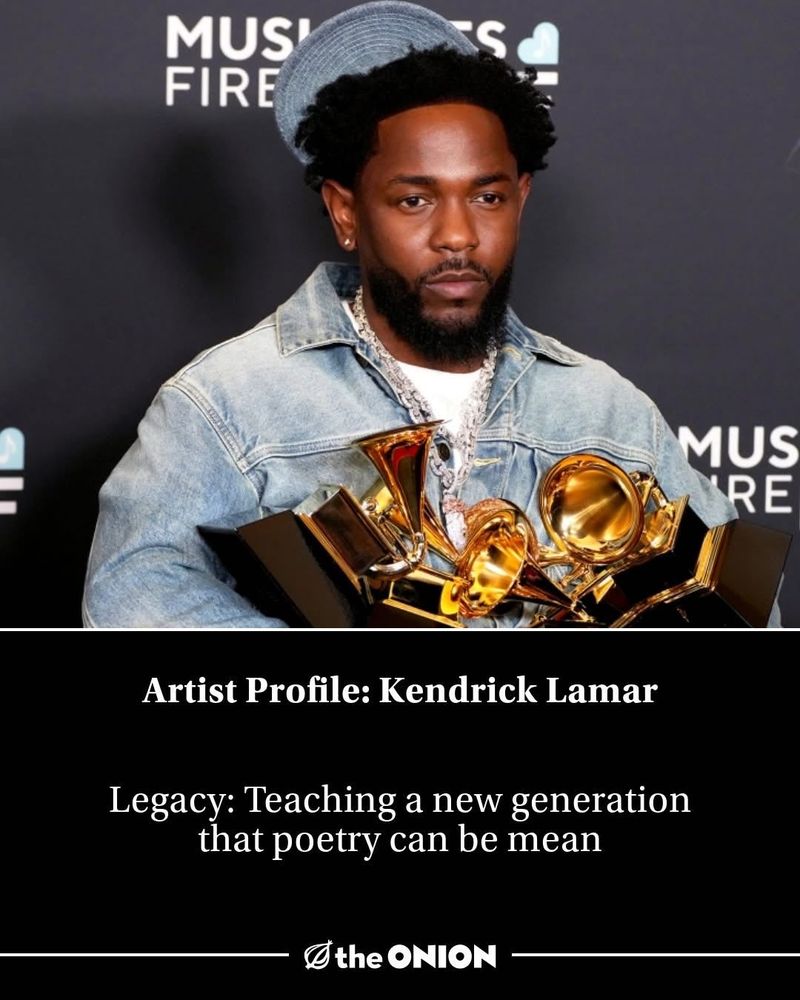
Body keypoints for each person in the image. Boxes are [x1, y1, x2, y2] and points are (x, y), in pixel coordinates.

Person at [82, 1, 765, 628]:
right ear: (346, 211)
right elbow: (130, 602)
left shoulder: (609, 414)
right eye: (415, 201)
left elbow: (740, 610)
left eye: (487, 198)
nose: (458, 237)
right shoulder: (226, 405)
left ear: (520, 200)